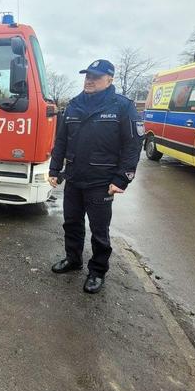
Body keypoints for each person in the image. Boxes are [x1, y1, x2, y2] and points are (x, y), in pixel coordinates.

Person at [48, 59, 143, 294]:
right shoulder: (74, 105)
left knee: (99, 230)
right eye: (87, 76)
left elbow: (133, 144)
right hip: (75, 177)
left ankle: (97, 271)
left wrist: (122, 178)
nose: (89, 80)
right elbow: (61, 140)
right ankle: (73, 259)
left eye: (96, 77)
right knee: (71, 223)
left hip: (102, 181)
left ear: (110, 80)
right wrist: (54, 169)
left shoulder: (122, 106)